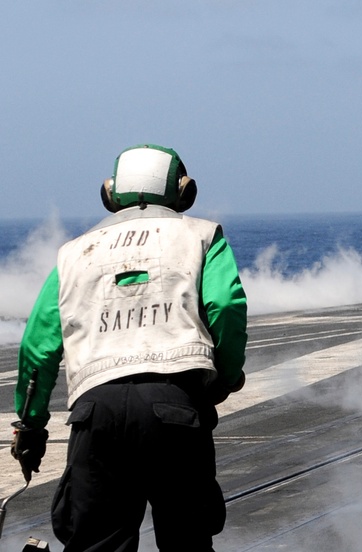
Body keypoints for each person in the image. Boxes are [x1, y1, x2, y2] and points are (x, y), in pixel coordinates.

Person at [10, 144, 248, 551]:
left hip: (95, 412)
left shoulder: (72, 254)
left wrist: (31, 424)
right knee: (188, 540)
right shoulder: (202, 235)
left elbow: (38, 345)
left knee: (97, 543)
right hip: (177, 408)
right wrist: (223, 379)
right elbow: (224, 305)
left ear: (110, 193)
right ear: (184, 191)